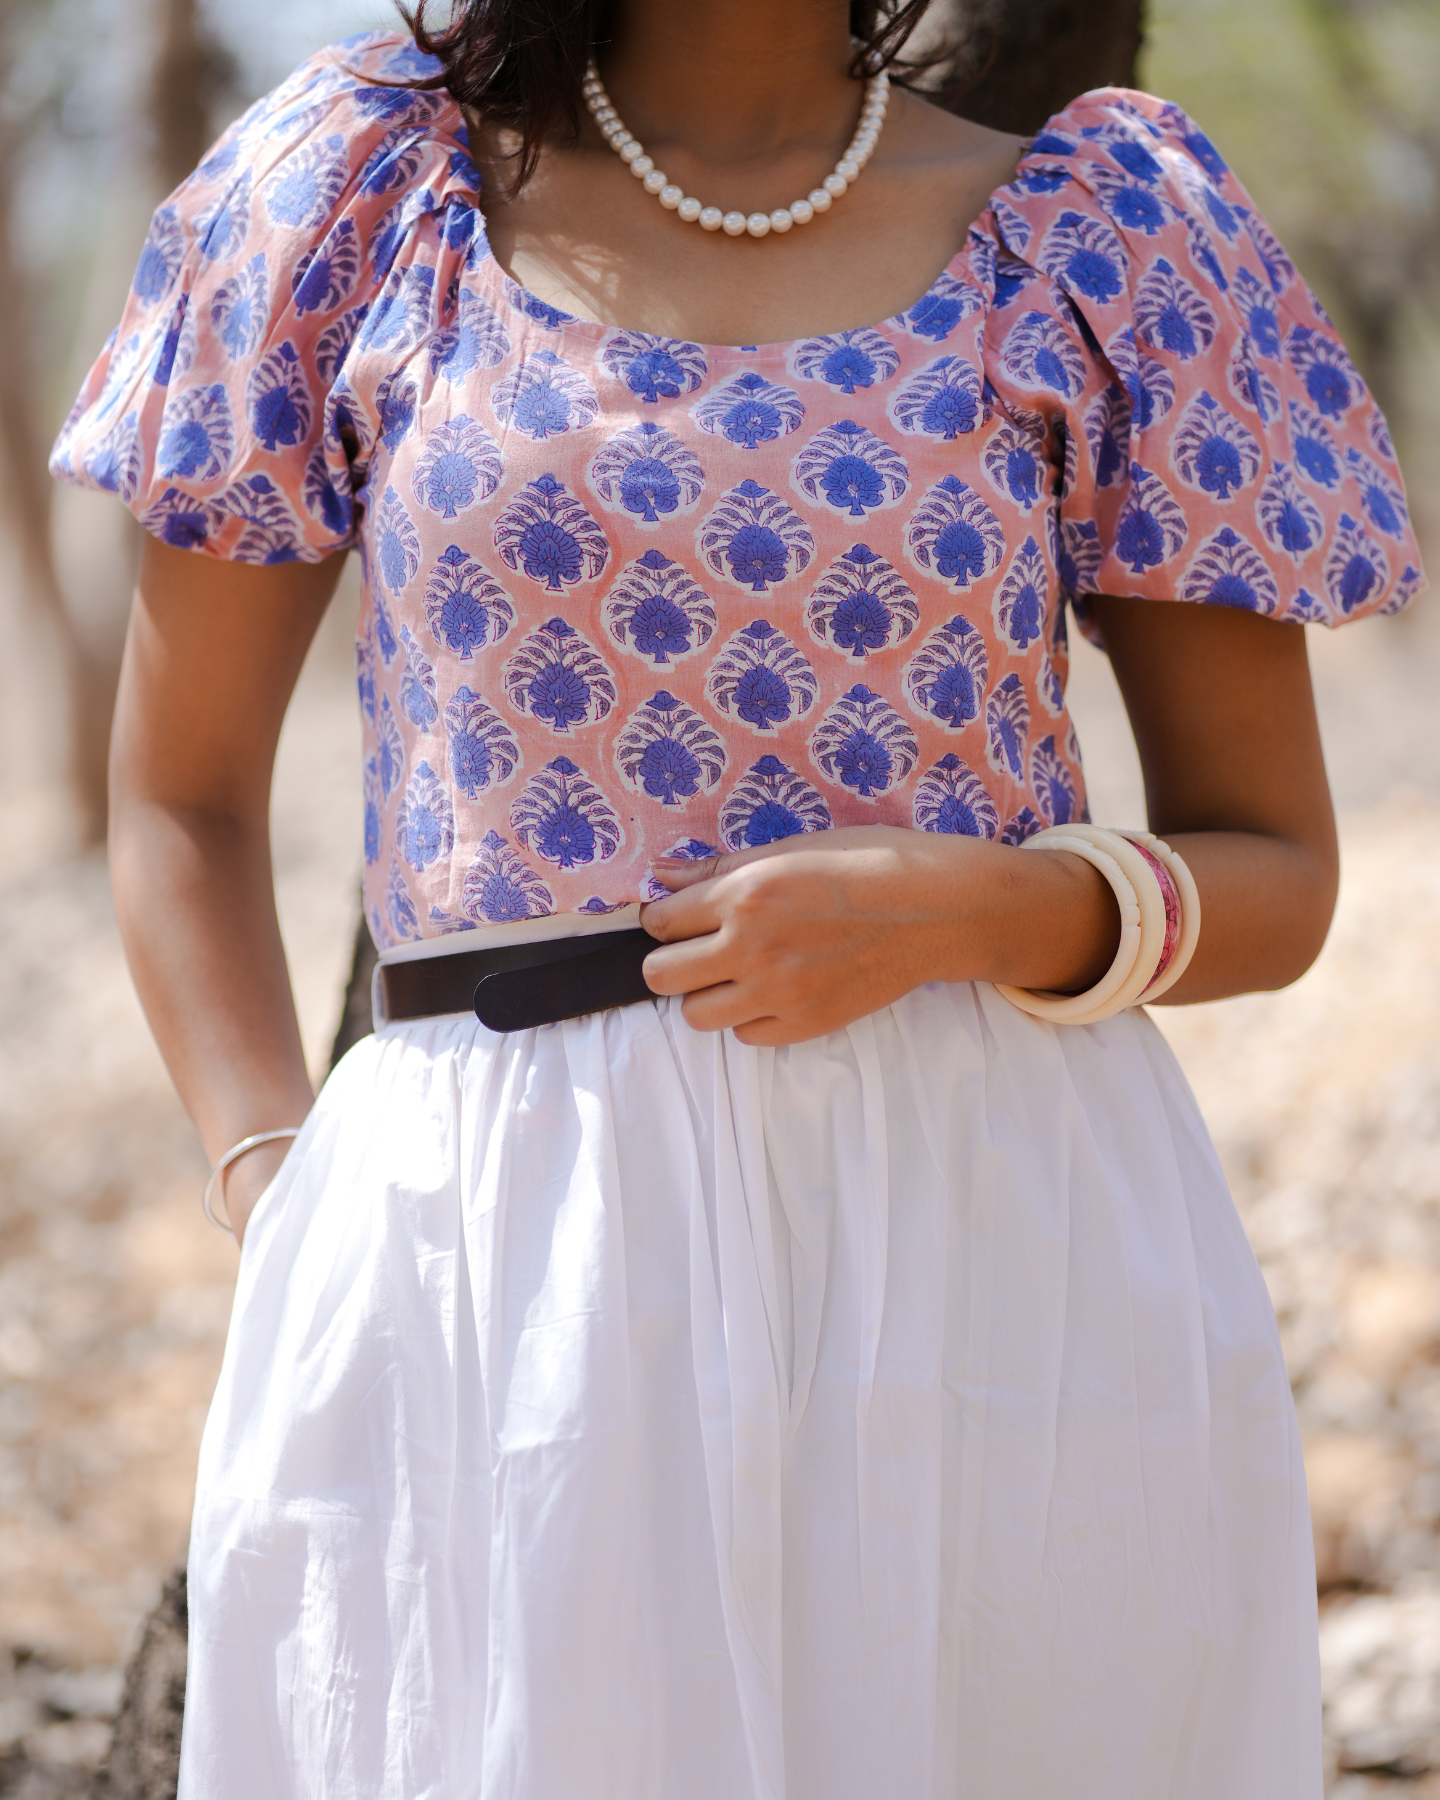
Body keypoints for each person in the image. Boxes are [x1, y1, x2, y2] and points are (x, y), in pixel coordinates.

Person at [52, 2, 1424, 1794]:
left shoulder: (1103, 229)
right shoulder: (362, 192)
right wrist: (279, 1195)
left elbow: (1279, 870)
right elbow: (178, 800)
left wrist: (980, 911)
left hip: (1004, 1242)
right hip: (493, 1266)